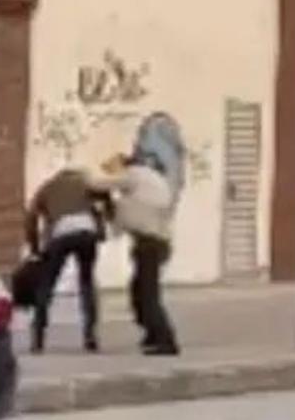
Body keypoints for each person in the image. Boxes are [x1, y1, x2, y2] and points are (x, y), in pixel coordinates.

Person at [96, 116, 183, 356]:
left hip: (150, 243)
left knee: (147, 294)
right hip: (156, 242)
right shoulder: (151, 181)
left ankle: (165, 340)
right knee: (140, 292)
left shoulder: (134, 175)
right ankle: (152, 335)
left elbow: (100, 185)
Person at [25, 165, 108, 354]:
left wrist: (35, 248)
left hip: (60, 233)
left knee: (47, 284)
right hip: (87, 230)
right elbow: (104, 199)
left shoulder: (46, 188)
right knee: (86, 282)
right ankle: (90, 335)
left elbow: (30, 218)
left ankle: (38, 338)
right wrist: (102, 228)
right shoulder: (85, 183)